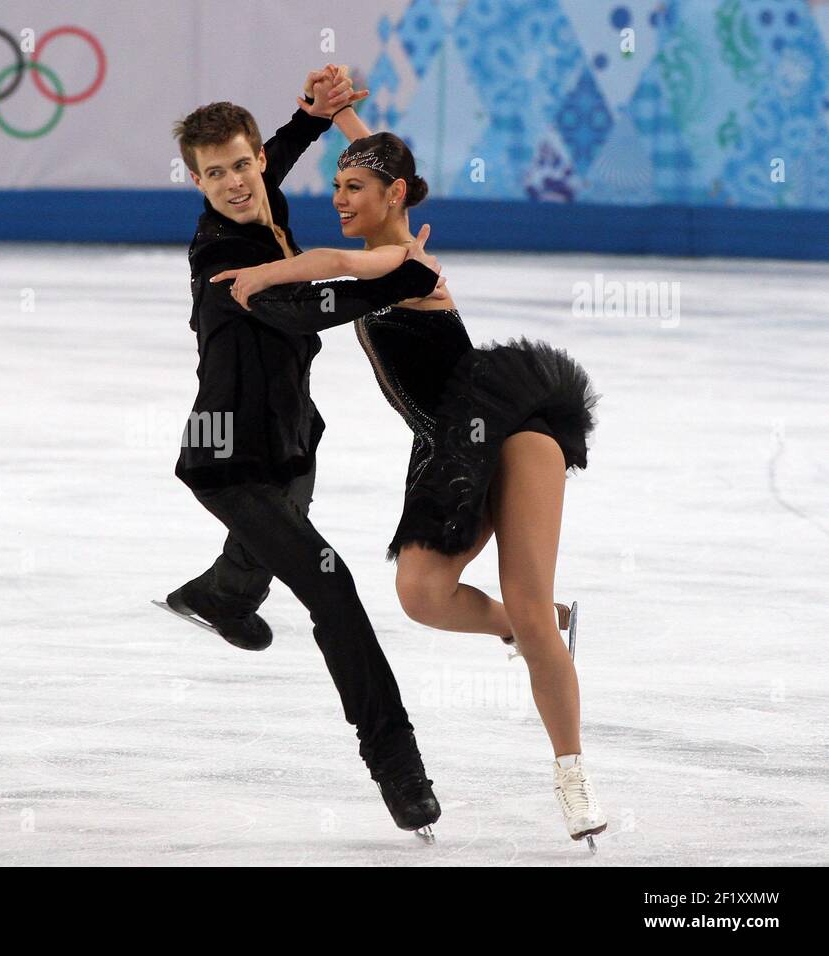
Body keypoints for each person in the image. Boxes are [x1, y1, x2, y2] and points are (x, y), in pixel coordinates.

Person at [210, 82, 607, 846]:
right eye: (333, 186)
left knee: (525, 599)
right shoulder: (384, 249)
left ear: (391, 195)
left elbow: (329, 258)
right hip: (443, 449)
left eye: (351, 187)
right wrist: (340, 121)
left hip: (512, 432)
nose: (336, 197)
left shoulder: (407, 266)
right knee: (420, 592)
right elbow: (375, 181)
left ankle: (572, 775)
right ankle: (544, 629)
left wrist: (263, 277)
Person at [164, 71, 447, 838]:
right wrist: (400, 280)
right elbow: (300, 313)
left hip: (292, 443)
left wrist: (308, 119)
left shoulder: (268, 204)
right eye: (211, 172)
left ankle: (221, 595)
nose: (230, 182)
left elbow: (277, 163)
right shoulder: (219, 251)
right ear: (195, 181)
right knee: (333, 591)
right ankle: (399, 768)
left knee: (267, 550)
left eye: (240, 165)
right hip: (228, 459)